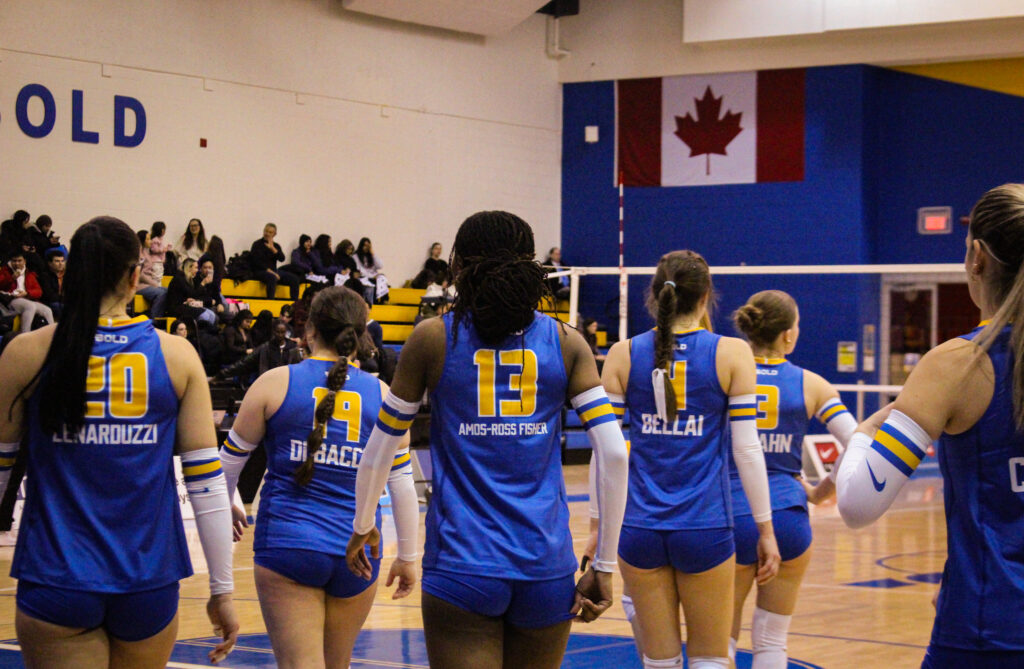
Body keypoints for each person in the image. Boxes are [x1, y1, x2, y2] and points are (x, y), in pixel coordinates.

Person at [346, 211, 629, 669]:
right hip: (545, 567)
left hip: (462, 567)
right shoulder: (568, 342)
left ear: (459, 266)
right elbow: (615, 453)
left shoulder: (433, 338)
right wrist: (605, 566)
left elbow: (381, 447)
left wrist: (363, 523)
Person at [0, 216, 237, 666]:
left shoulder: (25, 352)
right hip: (148, 581)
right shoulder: (178, 355)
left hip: (56, 577)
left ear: (69, 274)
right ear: (135, 276)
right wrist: (222, 590)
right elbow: (206, 486)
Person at [836, 184, 1024, 668]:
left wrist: (860, 433)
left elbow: (858, 503)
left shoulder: (959, 365)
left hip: (989, 631)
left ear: (977, 257)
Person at [219, 286, 418, 668]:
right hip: (359, 552)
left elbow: (226, 466)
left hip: (289, 546)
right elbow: (402, 484)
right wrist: (408, 557)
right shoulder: (382, 394)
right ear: (361, 335)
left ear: (308, 330)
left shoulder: (274, 382)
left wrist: (228, 501)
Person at [600, 250, 780, 669]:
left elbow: (606, 457)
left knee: (659, 663)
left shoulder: (622, 354)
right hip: (706, 526)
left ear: (653, 296)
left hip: (638, 528)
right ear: (706, 298)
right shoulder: (732, 353)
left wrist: (599, 530)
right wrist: (766, 530)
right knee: (710, 660)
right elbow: (747, 450)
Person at [729, 290, 858, 668]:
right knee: (771, 640)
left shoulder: (725, 373)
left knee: (720, 640)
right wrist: (821, 492)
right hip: (788, 516)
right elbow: (855, 442)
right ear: (787, 335)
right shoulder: (812, 384)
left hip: (733, 515)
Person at [0, 250, 55, 333]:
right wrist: (11, 278)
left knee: (47, 310)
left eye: (19, 261)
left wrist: (27, 293)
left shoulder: (29, 273)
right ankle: (25, 334)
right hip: (10, 299)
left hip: (26, 298)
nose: (17, 263)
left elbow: (38, 291)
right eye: (14, 261)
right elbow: (1, 285)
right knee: (30, 306)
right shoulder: (5, 271)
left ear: (24, 261)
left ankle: (52, 336)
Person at [250, 223, 301, 300]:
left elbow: (282, 258)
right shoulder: (257, 244)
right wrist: (272, 272)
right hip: (260, 271)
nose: (267, 234)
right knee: (272, 278)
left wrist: (273, 249)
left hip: (274, 271)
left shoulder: (276, 246)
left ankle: (294, 304)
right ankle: (271, 302)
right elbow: (256, 262)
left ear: (274, 234)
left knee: (294, 279)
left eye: (270, 232)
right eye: (266, 231)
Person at [166, 258, 217, 329]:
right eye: (196, 268)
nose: (197, 270)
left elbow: (191, 295)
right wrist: (203, 283)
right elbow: (192, 294)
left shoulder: (188, 279)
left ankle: (208, 335)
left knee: (211, 314)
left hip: (186, 306)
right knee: (205, 315)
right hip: (176, 308)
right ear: (189, 268)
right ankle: (201, 335)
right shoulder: (179, 278)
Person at [136, 230, 168, 318]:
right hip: (140, 285)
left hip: (148, 283)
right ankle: (154, 319)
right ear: (142, 240)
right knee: (161, 293)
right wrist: (153, 283)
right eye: (148, 239)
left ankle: (163, 317)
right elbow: (140, 274)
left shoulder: (146, 252)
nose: (150, 241)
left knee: (169, 290)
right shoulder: (138, 254)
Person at [352, 237, 387, 304]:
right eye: (365, 245)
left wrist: (373, 253)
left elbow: (380, 266)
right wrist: (372, 276)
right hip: (364, 278)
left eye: (368, 246)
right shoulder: (356, 256)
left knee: (382, 278)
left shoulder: (371, 256)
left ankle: (383, 301)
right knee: (369, 287)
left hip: (373, 277)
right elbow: (360, 271)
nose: (366, 248)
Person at [37, 248, 67, 320]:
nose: (60, 264)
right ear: (50, 263)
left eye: (62, 261)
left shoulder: (67, 274)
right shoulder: (44, 276)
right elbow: (50, 296)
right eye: (57, 261)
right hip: (51, 303)